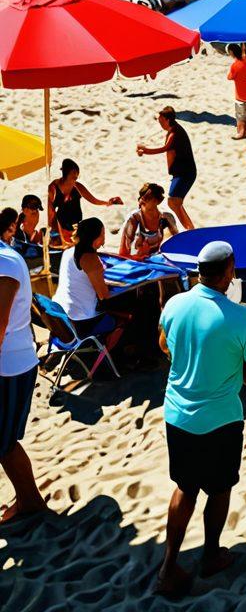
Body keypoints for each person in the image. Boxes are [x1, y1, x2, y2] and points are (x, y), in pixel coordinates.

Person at [157, 241, 246, 597]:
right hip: (220, 419)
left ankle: (168, 565)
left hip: (177, 413)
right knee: (220, 489)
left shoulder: (175, 304)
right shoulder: (241, 318)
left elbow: (164, 345)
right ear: (229, 272)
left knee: (185, 488)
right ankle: (210, 554)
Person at [0, 230, 46, 523]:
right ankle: (29, 500)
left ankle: (30, 501)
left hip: (10, 365)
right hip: (11, 362)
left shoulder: (5, 263)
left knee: (4, 442)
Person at [54, 217, 128, 345]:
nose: (104, 238)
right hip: (83, 320)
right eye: (102, 234)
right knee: (126, 317)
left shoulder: (68, 252)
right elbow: (104, 296)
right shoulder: (90, 259)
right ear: (94, 238)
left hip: (63, 314)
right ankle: (106, 352)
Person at [137, 107, 197, 231]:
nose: (159, 123)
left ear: (167, 120)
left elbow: (164, 148)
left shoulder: (175, 134)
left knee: (173, 201)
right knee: (175, 202)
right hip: (179, 173)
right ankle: (190, 228)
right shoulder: (172, 130)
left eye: (160, 120)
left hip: (185, 173)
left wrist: (145, 150)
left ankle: (190, 229)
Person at [47, 157, 122, 247]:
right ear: (66, 173)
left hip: (76, 223)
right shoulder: (53, 188)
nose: (76, 176)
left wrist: (107, 203)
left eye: (77, 174)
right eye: (74, 173)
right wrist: (55, 231)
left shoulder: (77, 186)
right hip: (61, 225)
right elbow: (50, 213)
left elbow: (93, 200)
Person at [119, 182, 177, 259]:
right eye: (142, 196)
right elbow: (123, 254)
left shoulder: (166, 218)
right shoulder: (134, 219)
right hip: (137, 261)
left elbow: (179, 242)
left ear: (157, 201)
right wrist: (139, 256)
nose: (143, 199)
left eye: (148, 197)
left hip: (156, 259)